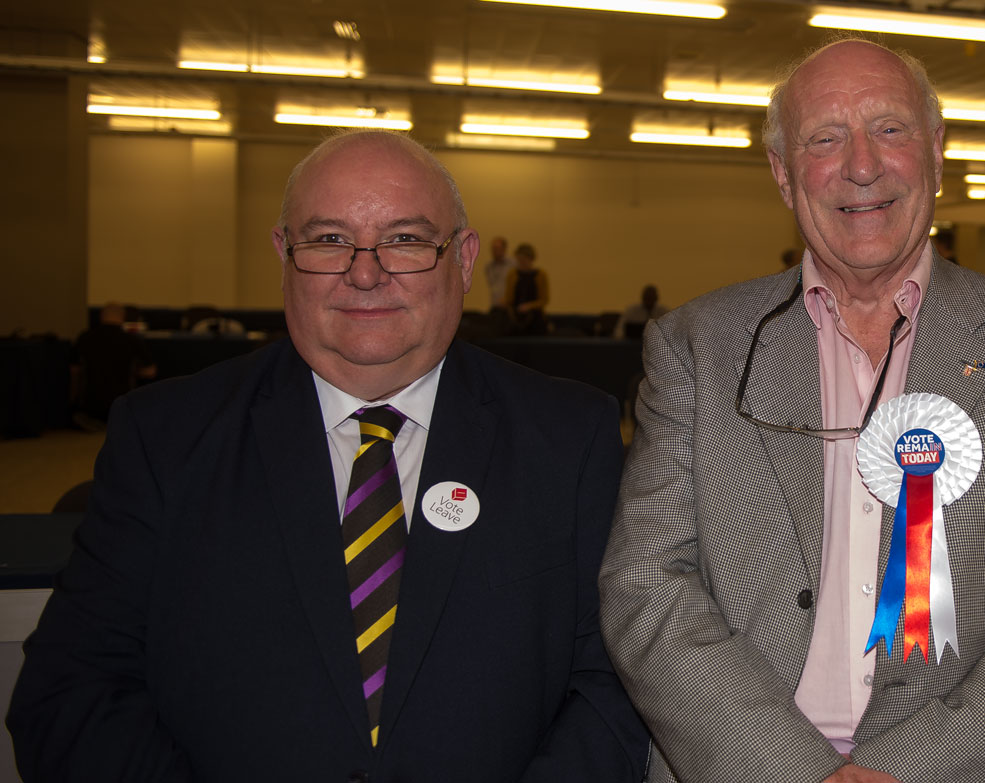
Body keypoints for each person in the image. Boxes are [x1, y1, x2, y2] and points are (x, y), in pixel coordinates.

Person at [8, 131, 647, 783]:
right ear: (284, 252)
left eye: (404, 238)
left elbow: (616, 686)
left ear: (462, 260)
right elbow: (70, 693)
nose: (364, 273)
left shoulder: (570, 439)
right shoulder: (165, 439)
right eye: (329, 239)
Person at [599, 39, 985, 783]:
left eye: (889, 128)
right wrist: (795, 770)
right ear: (785, 176)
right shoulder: (696, 347)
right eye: (825, 138)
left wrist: (905, 771)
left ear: (936, 152)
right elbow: (647, 584)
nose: (861, 165)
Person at [72, 301, 156, 427]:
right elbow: (150, 372)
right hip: (122, 404)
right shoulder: (132, 340)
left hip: (90, 406)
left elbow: (74, 371)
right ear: (123, 317)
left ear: (101, 316)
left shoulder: (84, 338)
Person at [505, 242, 549, 335]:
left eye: (524, 260)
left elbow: (544, 300)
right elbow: (508, 298)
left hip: (535, 318)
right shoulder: (512, 274)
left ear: (531, 259)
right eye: (519, 260)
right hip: (516, 317)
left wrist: (529, 306)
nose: (522, 263)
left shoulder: (540, 275)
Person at [484, 235, 516, 314]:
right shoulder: (489, 266)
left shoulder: (513, 265)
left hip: (511, 307)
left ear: (504, 249)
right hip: (495, 305)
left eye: (497, 248)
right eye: (493, 248)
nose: (495, 251)